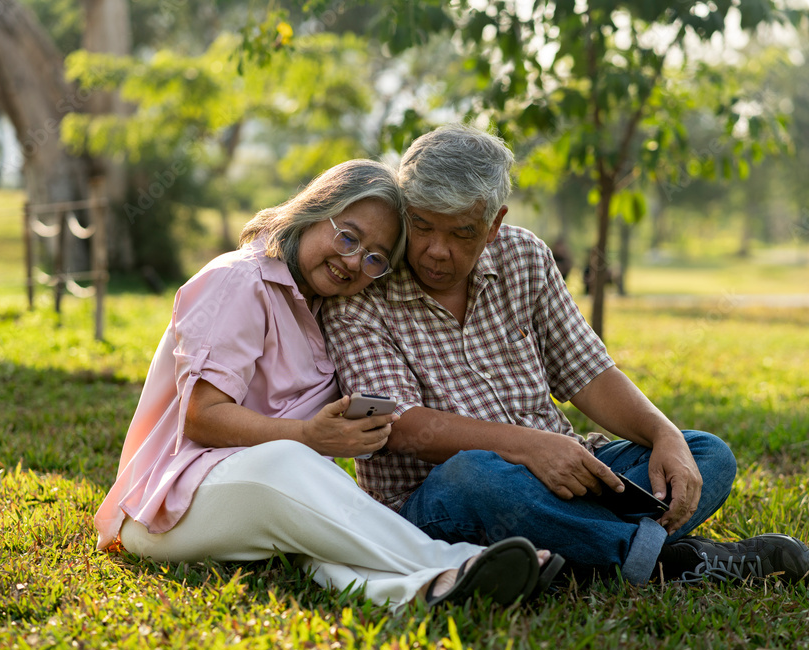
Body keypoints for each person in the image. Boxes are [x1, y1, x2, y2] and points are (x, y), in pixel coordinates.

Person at [323, 126, 809, 588]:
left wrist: (663, 435)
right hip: (443, 496)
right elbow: (400, 424)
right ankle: (666, 562)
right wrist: (529, 446)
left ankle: (573, 555)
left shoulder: (525, 256)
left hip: (565, 475)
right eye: (423, 226)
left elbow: (590, 374)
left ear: (495, 224)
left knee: (707, 454)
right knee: (474, 476)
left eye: (461, 234)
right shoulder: (365, 285)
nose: (435, 250)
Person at [93, 159, 561, 611]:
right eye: (348, 237)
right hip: (164, 508)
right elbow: (202, 417)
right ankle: (455, 562)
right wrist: (308, 437)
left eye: (375, 258)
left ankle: (421, 591)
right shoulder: (239, 280)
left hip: (252, 499)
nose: (354, 261)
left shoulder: (327, 312)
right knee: (289, 464)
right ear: (315, 209)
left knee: (318, 532)